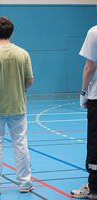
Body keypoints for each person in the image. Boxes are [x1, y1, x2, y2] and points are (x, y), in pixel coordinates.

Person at [0, 17, 34, 194]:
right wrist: (19, 89)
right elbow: (30, 80)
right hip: (18, 106)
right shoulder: (23, 53)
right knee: (20, 143)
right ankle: (25, 183)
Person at [71, 25, 97, 199]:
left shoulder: (94, 32)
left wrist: (83, 92)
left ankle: (94, 186)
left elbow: (90, 66)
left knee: (95, 141)